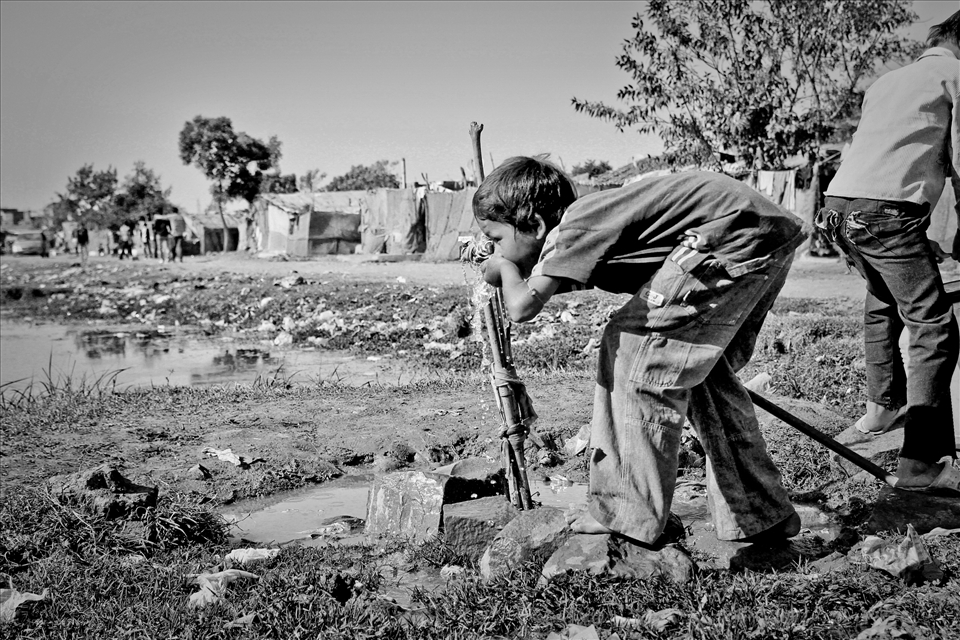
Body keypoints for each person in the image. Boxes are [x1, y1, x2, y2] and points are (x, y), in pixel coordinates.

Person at [475, 156, 806, 547]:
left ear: (534, 225)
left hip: (724, 234)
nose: (493, 249)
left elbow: (522, 306)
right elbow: (544, 286)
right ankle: (761, 513)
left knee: (633, 347)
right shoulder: (591, 231)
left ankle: (626, 510)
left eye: (496, 239)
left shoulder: (575, 225)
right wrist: (504, 262)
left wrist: (505, 268)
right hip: (760, 231)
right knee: (695, 368)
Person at [817, 10, 960, 494]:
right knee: (933, 326)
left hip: (838, 208)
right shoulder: (955, 75)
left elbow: (880, 152)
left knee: (881, 303)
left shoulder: (886, 82)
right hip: (885, 214)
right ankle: (921, 461)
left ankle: (880, 409)